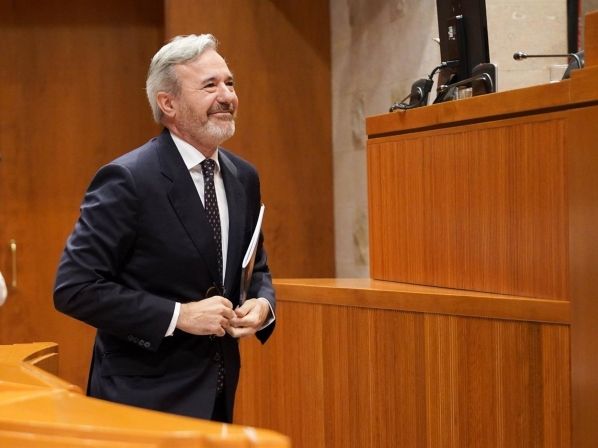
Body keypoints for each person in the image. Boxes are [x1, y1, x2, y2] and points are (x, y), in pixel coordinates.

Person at [53, 34, 275, 423]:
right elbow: (75, 288)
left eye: (230, 83)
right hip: (141, 400)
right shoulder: (128, 179)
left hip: (219, 392)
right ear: (168, 103)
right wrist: (177, 315)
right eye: (210, 85)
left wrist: (262, 304)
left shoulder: (244, 176)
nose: (227, 96)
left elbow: (255, 266)